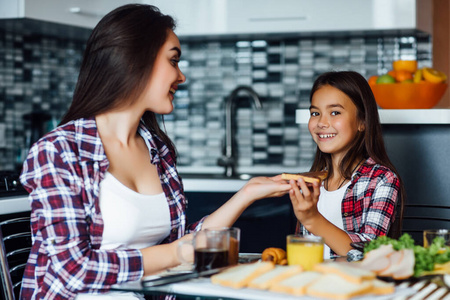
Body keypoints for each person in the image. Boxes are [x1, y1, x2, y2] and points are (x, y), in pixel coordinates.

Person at [19, 4, 291, 299]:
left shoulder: (158, 150)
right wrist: (177, 253)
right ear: (137, 59)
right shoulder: (59, 151)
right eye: (174, 61)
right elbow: (73, 270)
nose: (181, 76)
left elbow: (182, 244)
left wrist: (247, 193)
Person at [288, 71, 404, 261]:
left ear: (362, 122)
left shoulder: (382, 180)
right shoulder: (311, 181)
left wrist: (312, 219)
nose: (321, 123)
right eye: (315, 113)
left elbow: (371, 254)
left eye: (335, 112)